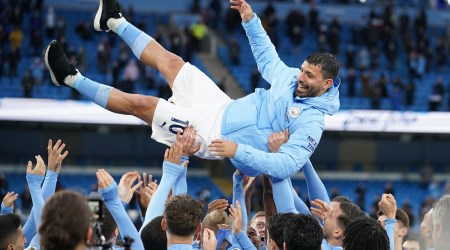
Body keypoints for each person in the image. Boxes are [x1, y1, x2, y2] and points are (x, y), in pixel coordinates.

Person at [44, 0, 340, 180]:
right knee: (172, 62)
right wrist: (251, 21)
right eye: (302, 69)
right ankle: (113, 20)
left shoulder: (311, 122)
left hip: (211, 136)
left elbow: (287, 164)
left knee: (145, 105)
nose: (300, 77)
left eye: (309, 76)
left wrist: (239, 150)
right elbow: (268, 61)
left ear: (326, 84)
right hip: (222, 105)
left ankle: (69, 78)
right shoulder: (291, 78)